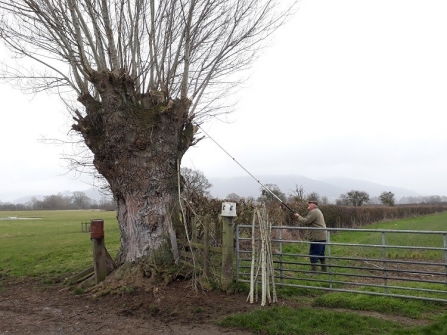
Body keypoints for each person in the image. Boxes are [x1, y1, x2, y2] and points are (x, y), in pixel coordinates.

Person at [294, 201, 327, 273]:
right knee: (321, 253)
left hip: (317, 236)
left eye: (310, 204)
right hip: (321, 236)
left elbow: (306, 221)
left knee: (313, 253)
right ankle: (324, 270)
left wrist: (298, 217)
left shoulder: (314, 212)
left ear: (314, 205)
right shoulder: (317, 211)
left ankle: (313, 271)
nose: (308, 205)